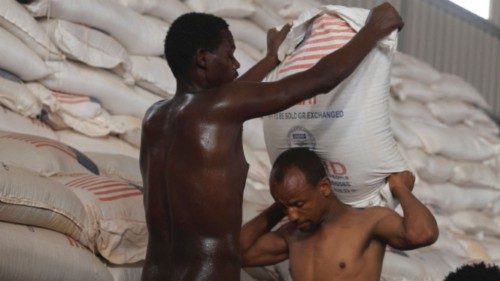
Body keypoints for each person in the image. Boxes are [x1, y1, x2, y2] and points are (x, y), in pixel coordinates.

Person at [140, 3, 404, 281]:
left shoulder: (155, 117)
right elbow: (321, 78)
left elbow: (235, 94)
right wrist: (373, 30)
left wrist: (272, 58)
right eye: (229, 55)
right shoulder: (220, 109)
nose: (237, 64)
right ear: (203, 58)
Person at [240, 148, 439, 281]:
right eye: (286, 209)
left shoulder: (369, 221)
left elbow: (423, 233)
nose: (292, 215)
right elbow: (237, 253)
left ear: (325, 187)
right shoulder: (293, 235)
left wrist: (399, 188)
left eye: (299, 204)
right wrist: (282, 203)